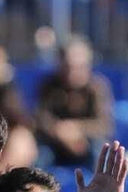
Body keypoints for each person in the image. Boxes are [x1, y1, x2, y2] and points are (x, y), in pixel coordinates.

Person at [35, 35, 113, 168]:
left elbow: (104, 125)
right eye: (68, 66)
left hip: (86, 142)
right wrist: (60, 132)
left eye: (78, 67)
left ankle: (102, 188)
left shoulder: (97, 87)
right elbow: (41, 117)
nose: (72, 73)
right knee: (39, 155)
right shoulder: (49, 86)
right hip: (55, 141)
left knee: (101, 152)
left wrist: (75, 129)